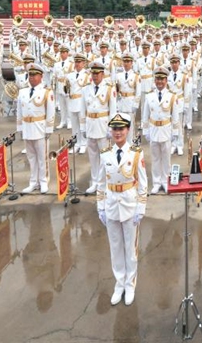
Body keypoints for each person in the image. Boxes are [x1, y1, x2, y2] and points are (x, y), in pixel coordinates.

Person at [97, 113, 147, 307]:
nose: (118, 133)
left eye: (121, 129)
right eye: (114, 129)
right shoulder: (105, 154)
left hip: (129, 204)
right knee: (115, 247)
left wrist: (140, 208)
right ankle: (119, 283)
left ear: (127, 130)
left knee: (130, 248)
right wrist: (100, 206)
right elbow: (101, 183)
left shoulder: (136, 153)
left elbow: (143, 183)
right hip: (111, 204)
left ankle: (130, 284)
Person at [142, 66, 181, 194]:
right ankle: (156, 182)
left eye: (162, 79)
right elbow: (145, 116)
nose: (159, 82)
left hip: (166, 130)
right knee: (155, 158)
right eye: (157, 79)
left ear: (166, 80)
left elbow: (175, 117)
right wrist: (145, 131)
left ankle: (165, 181)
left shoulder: (172, 96)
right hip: (153, 130)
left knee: (166, 158)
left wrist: (175, 132)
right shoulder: (149, 96)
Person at [18, 64, 55, 194]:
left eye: (35, 75)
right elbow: (19, 111)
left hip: (40, 128)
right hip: (27, 128)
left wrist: (49, 128)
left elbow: (50, 111)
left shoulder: (46, 91)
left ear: (41, 76)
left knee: (42, 157)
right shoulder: (23, 92)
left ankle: (44, 181)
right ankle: (33, 182)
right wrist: (20, 127)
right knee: (31, 157)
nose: (32, 78)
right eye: (30, 75)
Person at [81, 61, 117, 195]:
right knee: (92, 156)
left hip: (103, 127)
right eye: (93, 73)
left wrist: (111, 128)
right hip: (90, 125)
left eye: (97, 73)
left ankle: (105, 182)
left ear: (102, 74)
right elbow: (82, 109)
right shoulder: (85, 89)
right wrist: (82, 127)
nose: (95, 76)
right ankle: (95, 181)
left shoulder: (109, 88)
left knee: (105, 157)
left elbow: (113, 111)